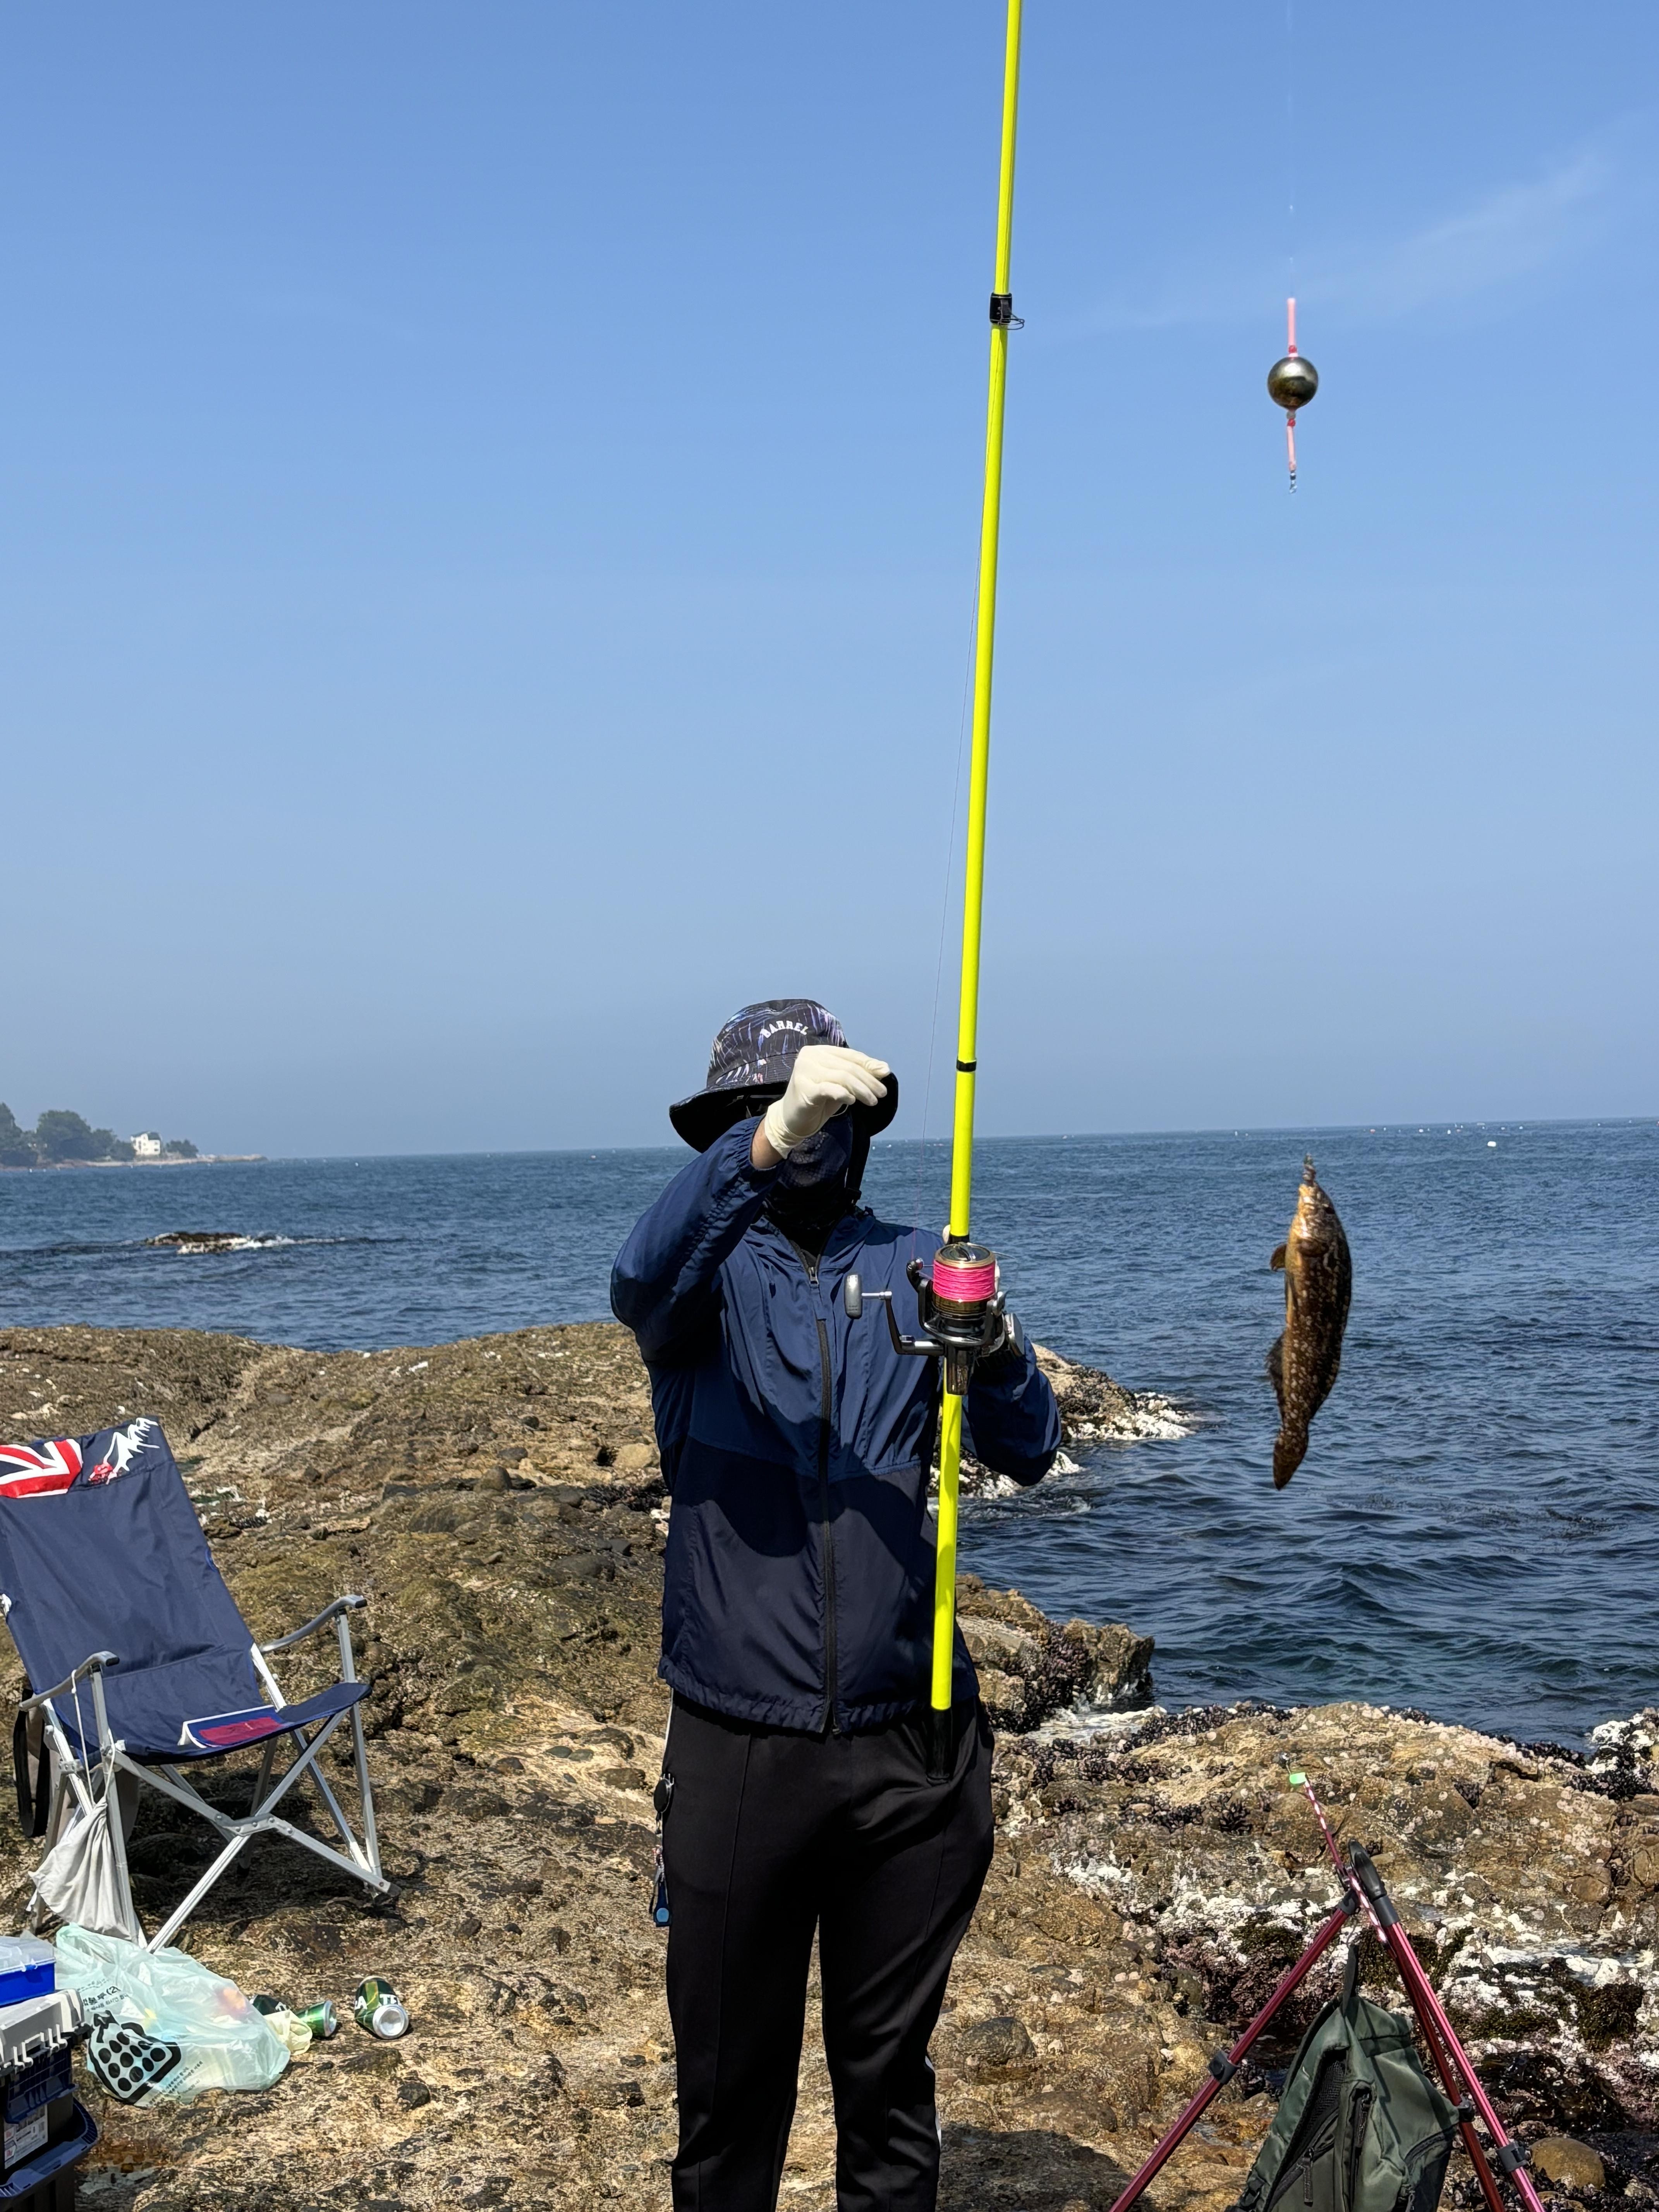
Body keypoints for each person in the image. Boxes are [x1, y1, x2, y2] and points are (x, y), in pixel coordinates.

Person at [611, 999, 1061, 2212]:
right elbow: (639, 1278)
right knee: (726, 2096)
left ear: (863, 1127)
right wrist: (763, 1142)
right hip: (737, 1746)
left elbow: (1029, 1450)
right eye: (767, 1113)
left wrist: (998, 1345)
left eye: (820, 1113)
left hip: (912, 1746)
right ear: (729, 1127)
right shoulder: (697, 1288)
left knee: (888, 2090)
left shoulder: (917, 1261)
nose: (803, 1138)